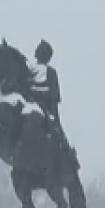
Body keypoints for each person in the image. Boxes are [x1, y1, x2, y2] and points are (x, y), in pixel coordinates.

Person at [28, 40, 77, 169]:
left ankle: (68, 159)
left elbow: (54, 95)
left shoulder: (49, 72)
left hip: (46, 108)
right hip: (33, 105)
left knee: (59, 135)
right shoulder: (31, 70)